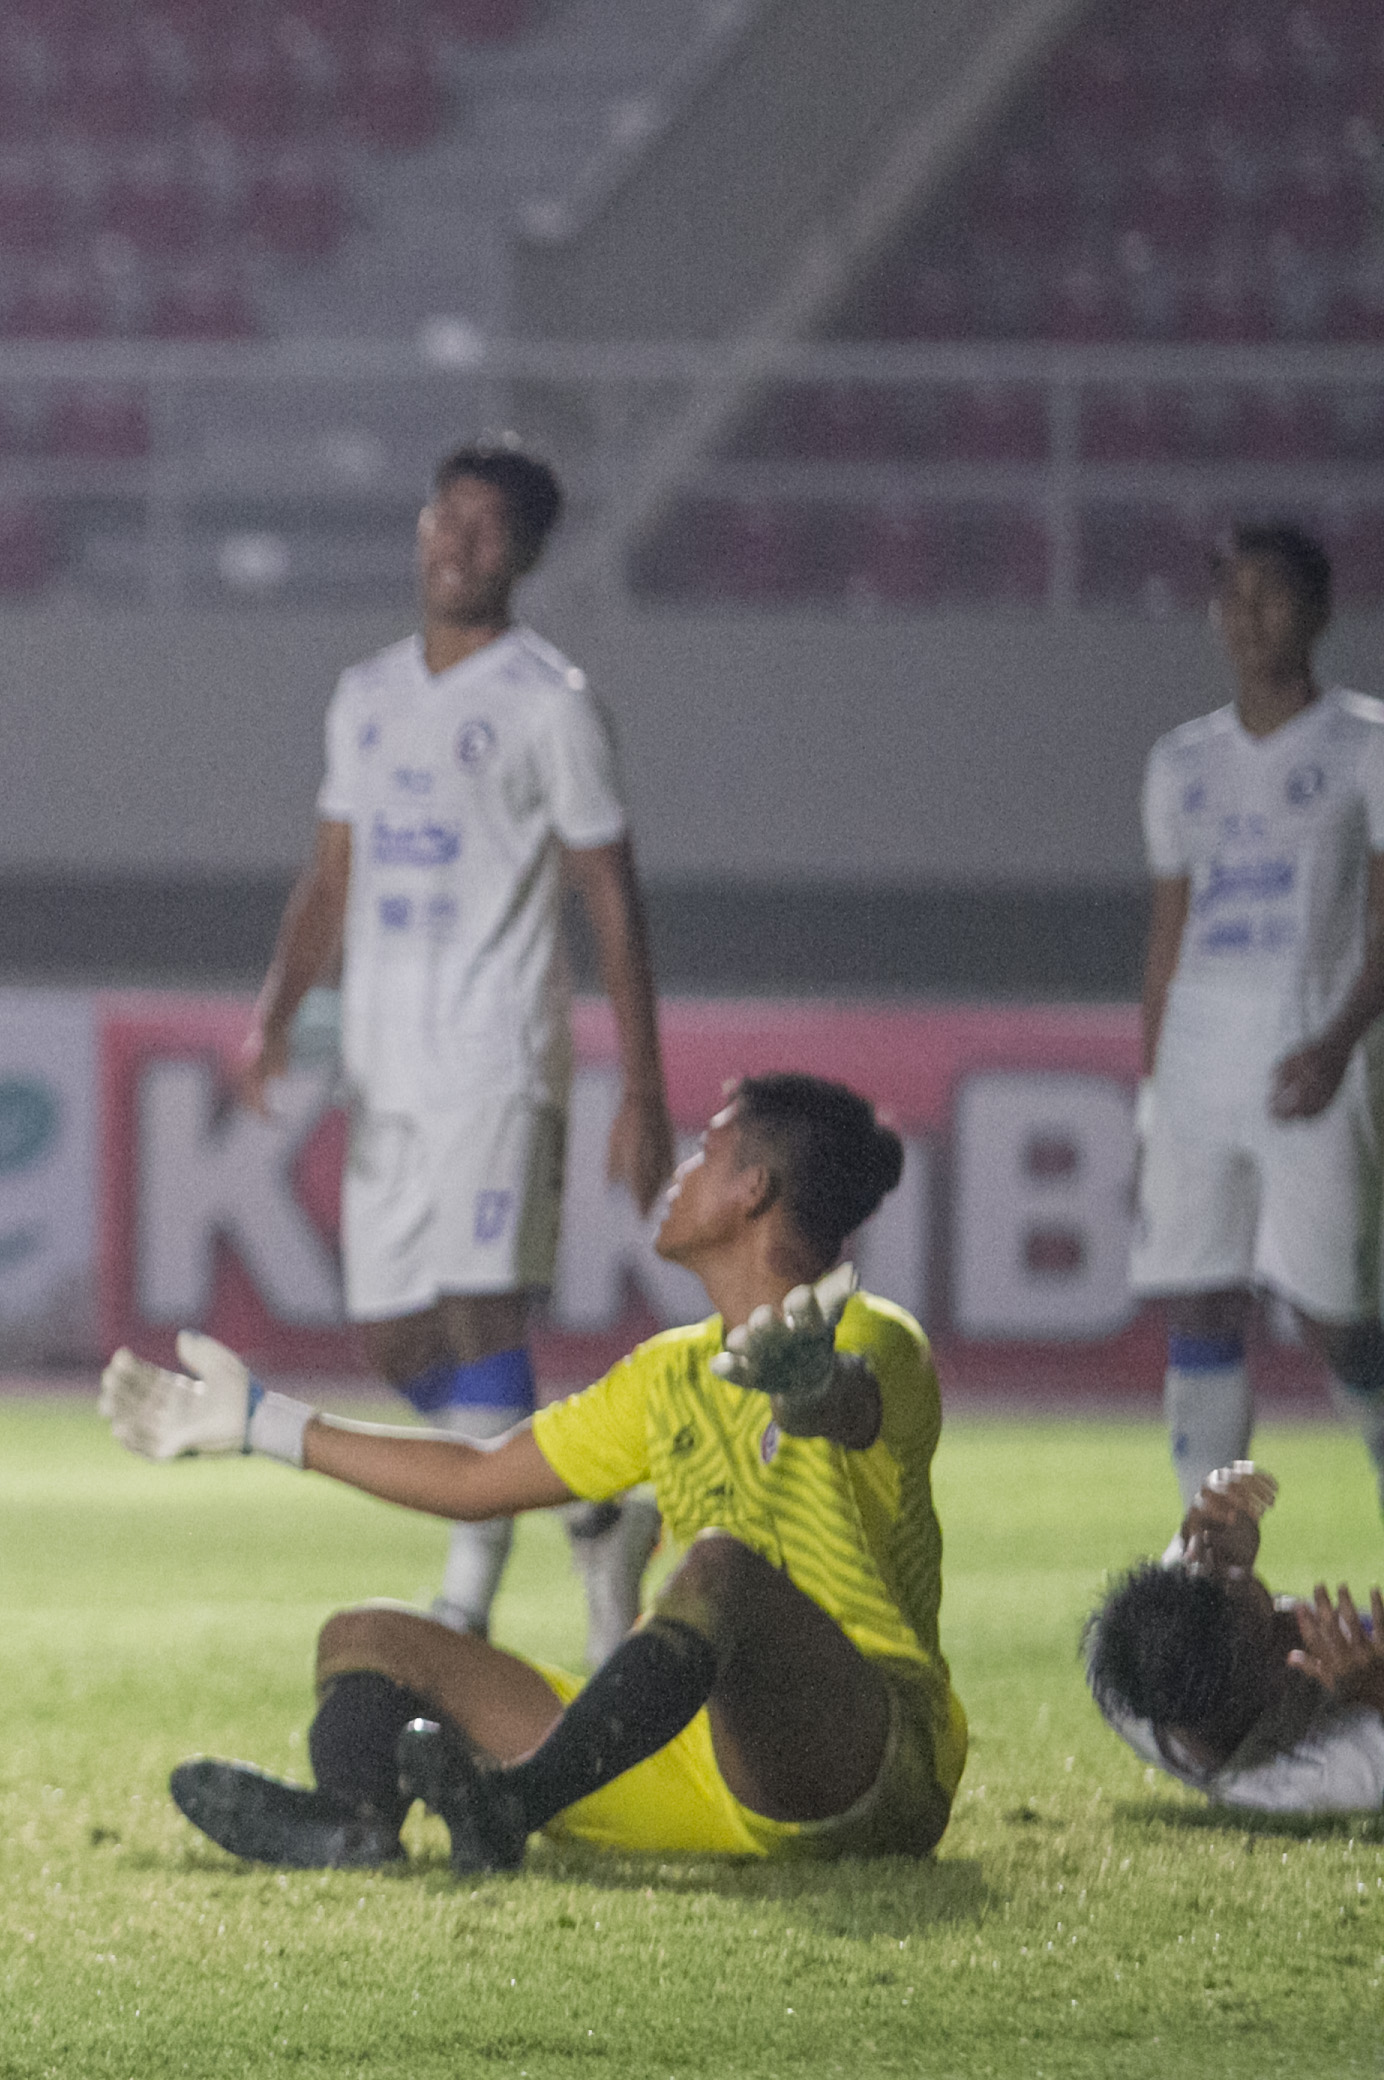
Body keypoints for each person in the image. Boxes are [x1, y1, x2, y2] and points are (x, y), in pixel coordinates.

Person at [103, 1072, 964, 1872]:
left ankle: (509, 1806)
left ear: (755, 1190)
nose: (680, 1168)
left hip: (862, 1769)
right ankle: (353, 1824)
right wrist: (263, 1421)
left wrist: (807, 1390)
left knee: (721, 1567)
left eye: (707, 1149)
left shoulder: (874, 1338)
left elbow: (846, 1403)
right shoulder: (668, 1374)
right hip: (696, 1769)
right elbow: (478, 1476)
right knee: (366, 1636)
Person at [229, 439, 675, 1658]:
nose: (455, 543)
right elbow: (328, 876)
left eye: (486, 529)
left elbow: (609, 894)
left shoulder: (549, 701)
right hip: (383, 1066)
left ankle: (462, 1603)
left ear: (524, 555)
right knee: (391, 1338)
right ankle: (589, 1501)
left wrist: (640, 1084)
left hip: (495, 1056)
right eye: (444, 518)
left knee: (483, 1313)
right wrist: (273, 1016)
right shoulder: (364, 694)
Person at [1132, 521, 1384, 1513]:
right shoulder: (1178, 761)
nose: (1244, 616)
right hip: (1199, 1067)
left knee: (1338, 1318)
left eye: (1268, 595)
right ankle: (1204, 1552)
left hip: (1312, 1057)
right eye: (1228, 596)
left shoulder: (1363, 746)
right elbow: (1166, 939)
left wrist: (1334, 1042)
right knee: (1198, 1295)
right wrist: (1151, 1090)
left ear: (1316, 610)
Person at [1084, 1461, 1384, 1815]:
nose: (1202, 1558)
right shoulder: (1322, 1776)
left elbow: (1169, 1609)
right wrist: (1375, 1689)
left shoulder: (1131, 1657)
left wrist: (1196, 1529)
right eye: (1273, 1620)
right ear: (1273, 1679)